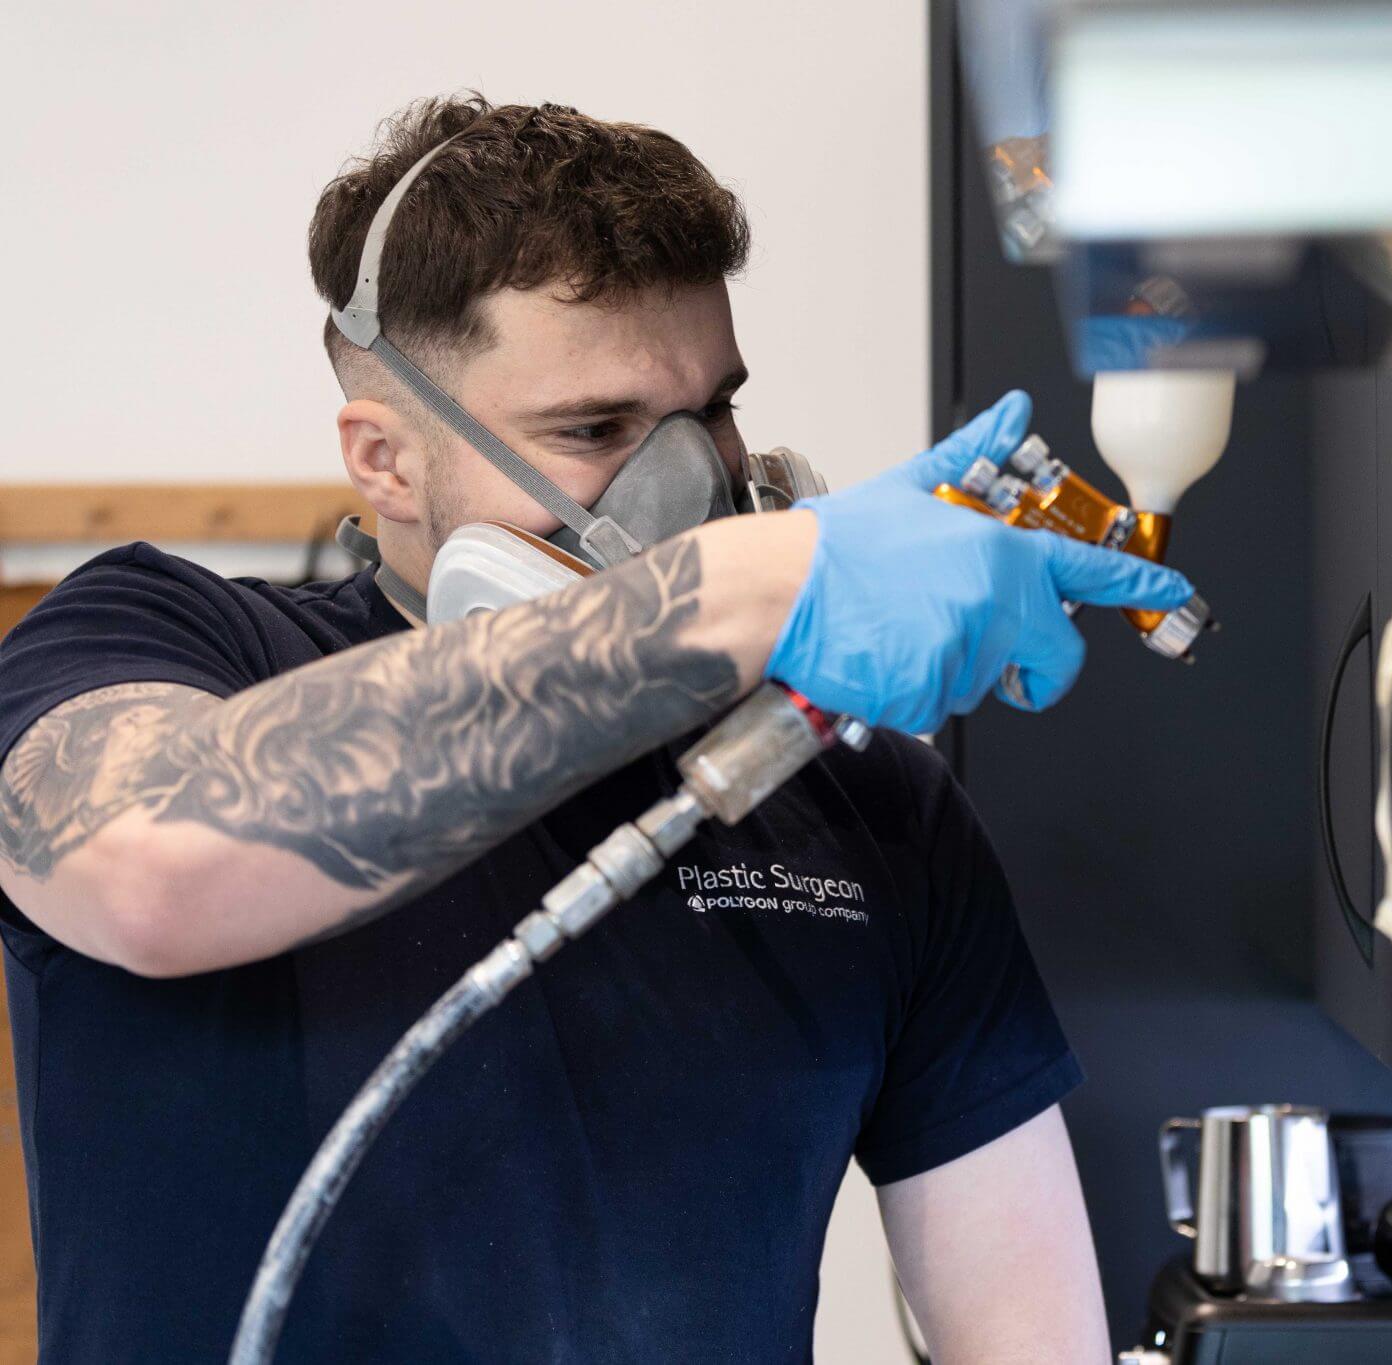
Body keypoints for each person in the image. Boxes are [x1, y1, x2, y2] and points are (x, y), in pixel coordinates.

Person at [0, 95, 1192, 1363]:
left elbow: (1029, 1339)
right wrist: (767, 584)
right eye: (595, 430)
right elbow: (146, 868)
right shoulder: (163, 642)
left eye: (710, 413)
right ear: (386, 459)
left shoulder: (868, 804)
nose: (691, 481)